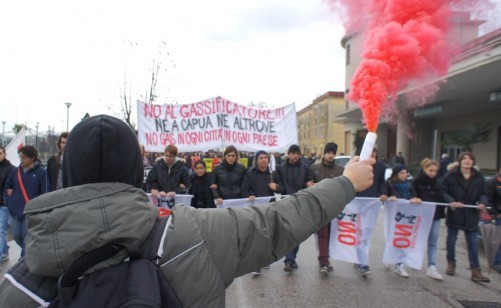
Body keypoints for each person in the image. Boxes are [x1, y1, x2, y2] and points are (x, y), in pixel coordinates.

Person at [0, 115, 375, 307]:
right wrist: (345, 183)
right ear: (137, 169)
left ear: (67, 173)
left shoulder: (21, 279)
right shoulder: (195, 235)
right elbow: (279, 220)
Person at [441, 152, 490, 283]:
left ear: (473, 162)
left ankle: (476, 270)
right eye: (465, 158)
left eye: (470, 159)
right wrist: (451, 201)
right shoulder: (451, 176)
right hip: (455, 213)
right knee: (451, 240)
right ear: (460, 161)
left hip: (471, 214)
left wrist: (482, 202)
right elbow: (443, 191)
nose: (468, 161)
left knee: (472, 243)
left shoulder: (479, 177)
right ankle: (451, 263)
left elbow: (484, 193)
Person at [241, 150, 284, 276]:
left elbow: (282, 189)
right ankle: (256, 264)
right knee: (256, 236)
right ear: (256, 160)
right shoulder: (250, 174)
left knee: (267, 236)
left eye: (266, 157)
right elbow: (244, 189)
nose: (264, 160)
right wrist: (250, 195)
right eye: (261, 158)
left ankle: (265, 259)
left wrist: (276, 187)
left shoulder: (273, 174)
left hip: (269, 209)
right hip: (254, 209)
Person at [276, 144, 314, 272]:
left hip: (301, 203)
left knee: (297, 232)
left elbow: (308, 180)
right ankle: (289, 259)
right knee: (288, 232)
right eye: (293, 153)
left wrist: (309, 183)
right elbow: (280, 186)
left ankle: (292, 258)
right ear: (289, 154)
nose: (295, 156)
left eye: (297, 153)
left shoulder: (305, 167)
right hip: (286, 203)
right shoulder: (280, 168)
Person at [3, 145, 47, 257]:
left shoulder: (41, 173)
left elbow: (45, 193)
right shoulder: (15, 172)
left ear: (32, 157)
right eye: (20, 157)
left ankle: (23, 261)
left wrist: (38, 210)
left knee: (27, 240)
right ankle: (30, 254)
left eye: (24, 157)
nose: (21, 159)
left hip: (30, 213)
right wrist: (9, 202)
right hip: (15, 212)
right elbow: (6, 188)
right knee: (17, 236)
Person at [309, 142, 344, 275]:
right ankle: (323, 262)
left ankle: (326, 259)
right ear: (324, 153)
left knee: (331, 235)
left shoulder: (340, 170)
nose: (331, 155)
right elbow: (308, 183)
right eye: (329, 153)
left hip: (335, 207)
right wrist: (309, 184)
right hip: (319, 207)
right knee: (322, 235)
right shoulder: (314, 168)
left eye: (333, 153)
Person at [355, 146, 388, 276]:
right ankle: (361, 260)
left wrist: (383, 193)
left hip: (372, 202)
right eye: (370, 151)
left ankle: (363, 261)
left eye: (374, 151)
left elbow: (382, 182)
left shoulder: (380, 166)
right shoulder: (358, 164)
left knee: (366, 232)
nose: (372, 153)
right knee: (358, 231)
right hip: (357, 202)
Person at [386, 164, 422, 277]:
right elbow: (384, 195)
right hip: (395, 216)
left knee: (403, 239)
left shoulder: (409, 185)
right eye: (402, 173)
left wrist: (415, 199)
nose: (404, 175)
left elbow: (414, 196)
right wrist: (389, 198)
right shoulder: (390, 184)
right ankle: (390, 257)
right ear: (396, 174)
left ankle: (399, 264)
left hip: (407, 216)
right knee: (393, 239)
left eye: (405, 172)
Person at [412, 158, 445, 280]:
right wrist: (414, 198)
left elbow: (443, 195)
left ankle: (432, 266)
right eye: (430, 170)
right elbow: (412, 193)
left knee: (433, 242)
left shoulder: (438, 183)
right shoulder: (416, 182)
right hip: (420, 217)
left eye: (435, 171)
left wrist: (452, 202)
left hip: (435, 216)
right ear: (424, 169)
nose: (433, 173)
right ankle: (404, 262)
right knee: (414, 240)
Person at [0, 146, 14, 263]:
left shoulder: (11, 169)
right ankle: (4, 252)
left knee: (1, 230)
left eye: (0, 153)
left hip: (3, 204)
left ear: (5, 154)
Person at [486, 168, 501, 274]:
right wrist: (496, 213)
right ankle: (496, 262)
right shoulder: (492, 182)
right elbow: (488, 200)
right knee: (498, 240)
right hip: (499, 215)